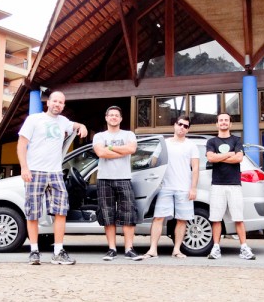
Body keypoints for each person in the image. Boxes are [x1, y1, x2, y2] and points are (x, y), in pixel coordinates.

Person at [17, 91, 88, 265]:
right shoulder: (34, 119)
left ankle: (58, 251)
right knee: (32, 212)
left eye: (61, 102)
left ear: (63, 105)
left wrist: (83, 127)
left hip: (55, 172)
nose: (57, 104)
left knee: (61, 211)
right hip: (35, 171)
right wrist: (24, 167)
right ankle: (34, 251)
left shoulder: (63, 121)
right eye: (55, 101)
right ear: (48, 102)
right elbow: (21, 144)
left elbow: (75, 125)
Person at [139, 116, 199, 260]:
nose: (182, 128)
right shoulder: (164, 144)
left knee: (182, 219)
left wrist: (193, 188)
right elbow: (153, 161)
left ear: (188, 129)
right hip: (165, 187)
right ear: (174, 125)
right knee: (158, 217)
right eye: (180, 124)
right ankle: (153, 249)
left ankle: (177, 250)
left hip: (184, 188)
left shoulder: (191, 145)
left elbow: (195, 168)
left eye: (185, 126)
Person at [93, 106, 141, 261]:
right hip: (104, 179)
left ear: (121, 119)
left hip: (124, 177)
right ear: (106, 118)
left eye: (116, 115)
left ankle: (129, 249)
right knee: (107, 215)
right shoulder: (99, 136)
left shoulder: (129, 134)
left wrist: (111, 148)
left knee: (128, 214)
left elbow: (132, 149)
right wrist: (122, 151)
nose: (114, 117)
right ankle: (111, 249)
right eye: (111, 115)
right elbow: (100, 152)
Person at [206, 113, 256, 260]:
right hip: (217, 185)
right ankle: (216, 248)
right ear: (217, 124)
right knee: (216, 218)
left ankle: (244, 248)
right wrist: (229, 155)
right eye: (221, 120)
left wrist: (219, 158)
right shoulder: (212, 141)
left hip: (234, 184)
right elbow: (210, 157)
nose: (223, 123)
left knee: (238, 218)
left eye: (226, 120)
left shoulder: (237, 140)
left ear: (230, 124)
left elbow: (239, 158)